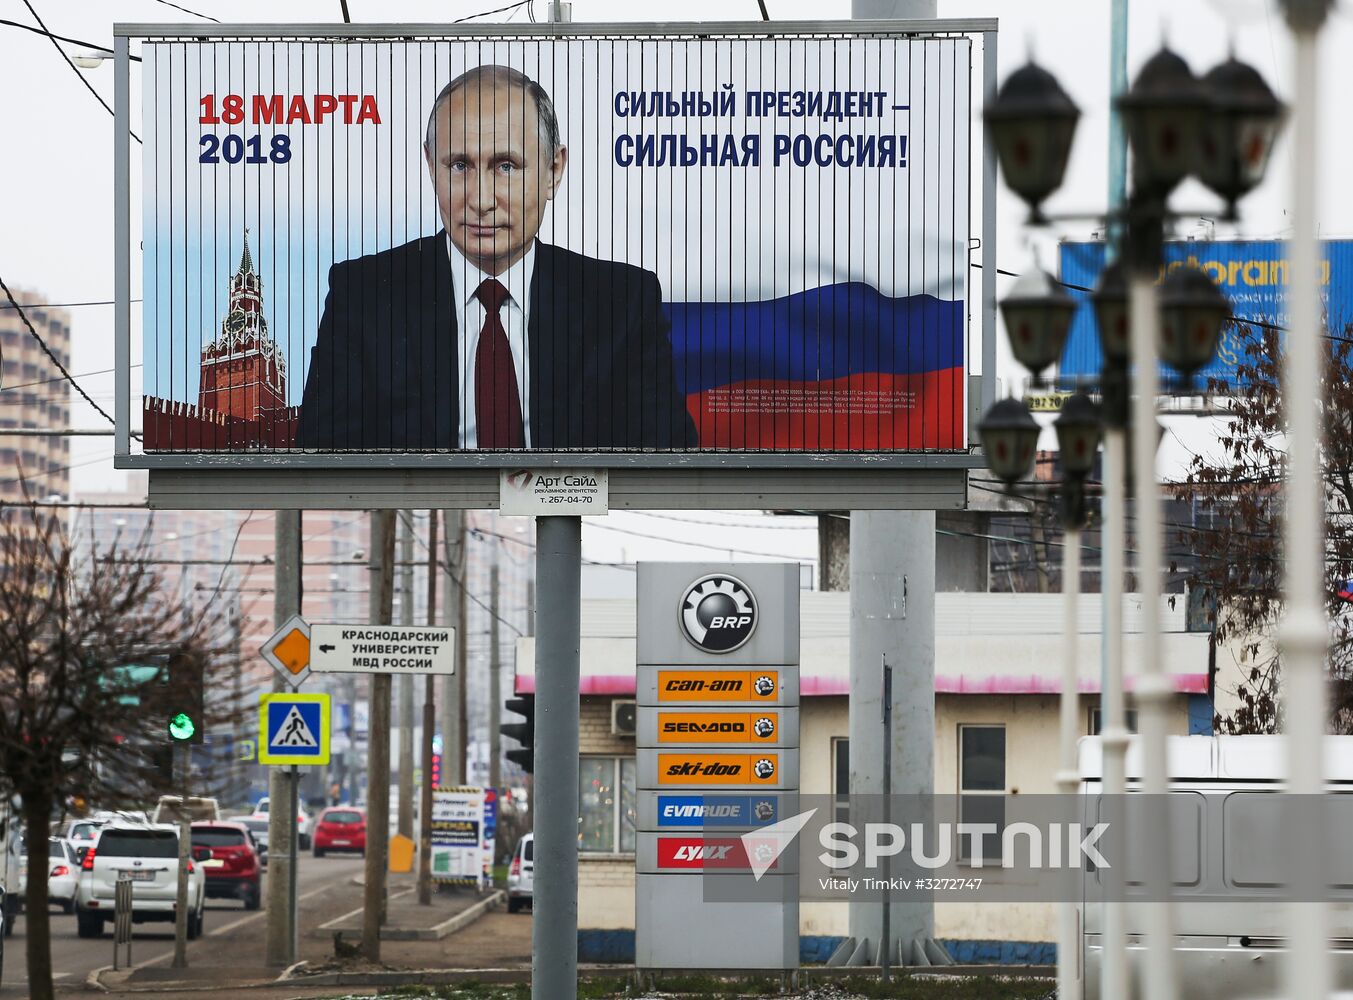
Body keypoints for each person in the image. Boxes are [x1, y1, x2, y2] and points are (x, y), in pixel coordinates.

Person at [296, 64, 697, 450]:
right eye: (459, 166)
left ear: (553, 171)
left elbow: (667, 463)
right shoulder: (363, 295)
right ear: (430, 167)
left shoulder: (622, 302)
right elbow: (321, 466)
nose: (481, 200)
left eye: (506, 166)